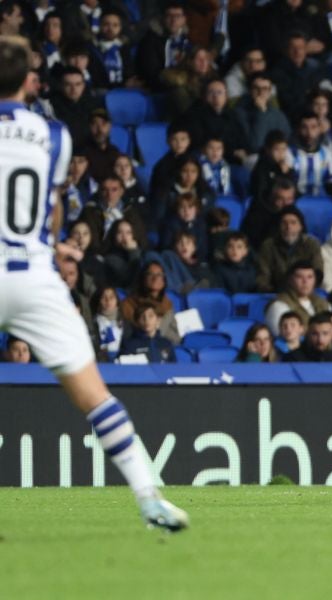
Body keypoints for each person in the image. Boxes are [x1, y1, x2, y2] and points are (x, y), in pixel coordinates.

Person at [0, 38, 187, 530]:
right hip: (35, 276)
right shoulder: (55, 135)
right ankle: (149, 500)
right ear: (30, 82)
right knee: (95, 396)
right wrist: (49, 241)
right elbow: (48, 200)